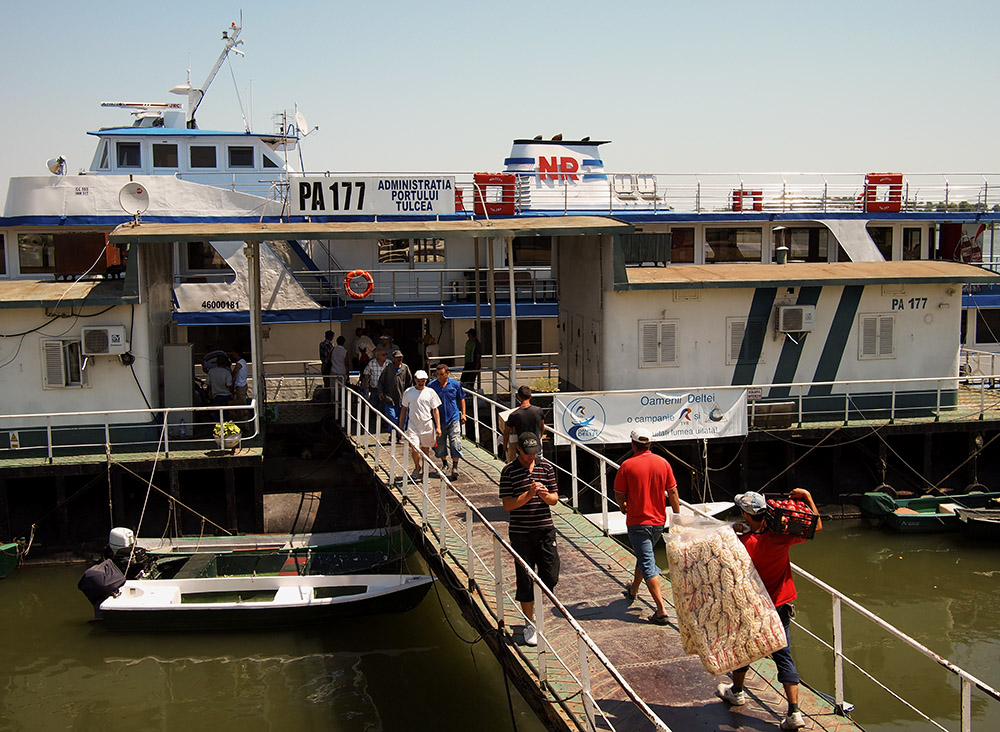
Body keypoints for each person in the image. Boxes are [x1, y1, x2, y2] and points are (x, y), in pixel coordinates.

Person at [717, 489, 823, 731]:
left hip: (754, 606)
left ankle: (737, 691)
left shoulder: (742, 543)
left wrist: (736, 530)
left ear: (745, 514)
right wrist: (807, 496)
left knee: (742, 648)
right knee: (783, 654)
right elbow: (815, 527)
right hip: (780, 604)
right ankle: (794, 712)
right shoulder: (779, 537)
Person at [613, 427, 680, 624]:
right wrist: (677, 516)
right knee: (645, 555)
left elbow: (619, 492)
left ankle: (661, 610)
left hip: (638, 521)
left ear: (633, 444)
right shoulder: (663, 463)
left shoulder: (627, 465)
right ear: (650, 444)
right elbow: (673, 492)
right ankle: (633, 589)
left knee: (647, 562)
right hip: (659, 521)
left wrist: (622, 505)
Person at [499, 432, 560, 647]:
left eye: (534, 454)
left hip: (544, 529)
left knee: (550, 576)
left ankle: (537, 606)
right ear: (519, 451)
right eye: (527, 454)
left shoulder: (546, 468)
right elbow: (508, 505)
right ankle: (529, 622)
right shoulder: (509, 471)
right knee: (525, 578)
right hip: (521, 532)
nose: (531, 458)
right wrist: (528, 494)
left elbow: (554, 500)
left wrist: (543, 495)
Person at [399, 370, 442, 480]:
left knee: (426, 450)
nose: (421, 383)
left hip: (427, 424)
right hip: (413, 425)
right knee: (414, 448)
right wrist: (401, 426)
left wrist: (438, 427)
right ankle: (417, 467)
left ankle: (425, 471)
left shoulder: (431, 392)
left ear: (426, 380)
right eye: (419, 381)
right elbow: (404, 410)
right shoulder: (408, 392)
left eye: (423, 381)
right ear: (415, 380)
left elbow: (435, 410)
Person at [429, 362, 466, 480]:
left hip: (453, 417)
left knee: (455, 441)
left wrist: (463, 414)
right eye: (438, 374)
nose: (439, 377)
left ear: (447, 374)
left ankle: (455, 466)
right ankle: (445, 463)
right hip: (438, 420)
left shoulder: (455, 385)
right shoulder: (431, 386)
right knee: (440, 444)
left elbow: (461, 398)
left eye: (441, 374)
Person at [502, 385, 545, 462]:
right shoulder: (538, 411)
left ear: (518, 397)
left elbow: (506, 432)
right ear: (531, 396)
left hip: (522, 449)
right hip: (536, 448)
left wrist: (505, 445)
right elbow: (542, 428)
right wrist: (539, 437)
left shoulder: (514, 415)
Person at [376, 349, 413, 426]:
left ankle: (400, 435)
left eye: (401, 357)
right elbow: (381, 382)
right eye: (397, 357)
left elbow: (409, 383)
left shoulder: (405, 368)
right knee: (391, 417)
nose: (399, 359)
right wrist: (380, 392)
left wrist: (409, 395)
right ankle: (393, 433)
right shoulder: (388, 368)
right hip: (390, 398)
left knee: (402, 418)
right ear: (393, 359)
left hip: (402, 399)